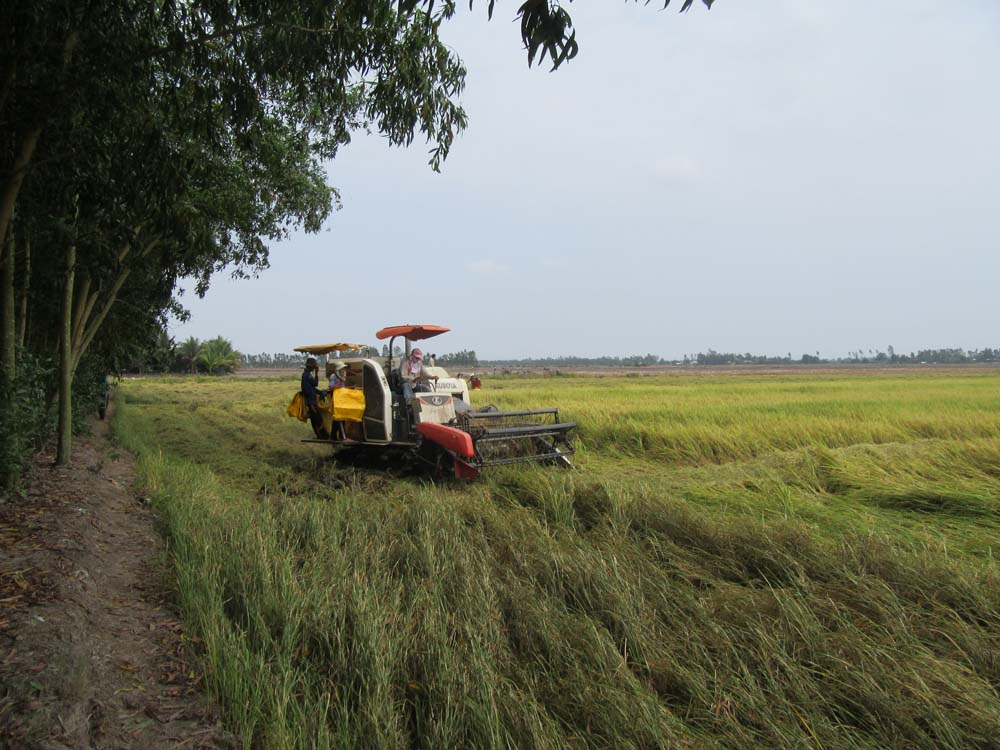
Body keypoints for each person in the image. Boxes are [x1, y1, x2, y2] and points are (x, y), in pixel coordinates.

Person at [301, 357, 329, 439]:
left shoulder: (306, 375)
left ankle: (320, 436)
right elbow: (313, 385)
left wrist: (320, 392)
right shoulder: (307, 375)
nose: (314, 368)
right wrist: (316, 373)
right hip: (311, 402)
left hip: (311, 401)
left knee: (314, 419)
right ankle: (323, 436)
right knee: (317, 419)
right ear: (311, 366)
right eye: (314, 366)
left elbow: (312, 387)